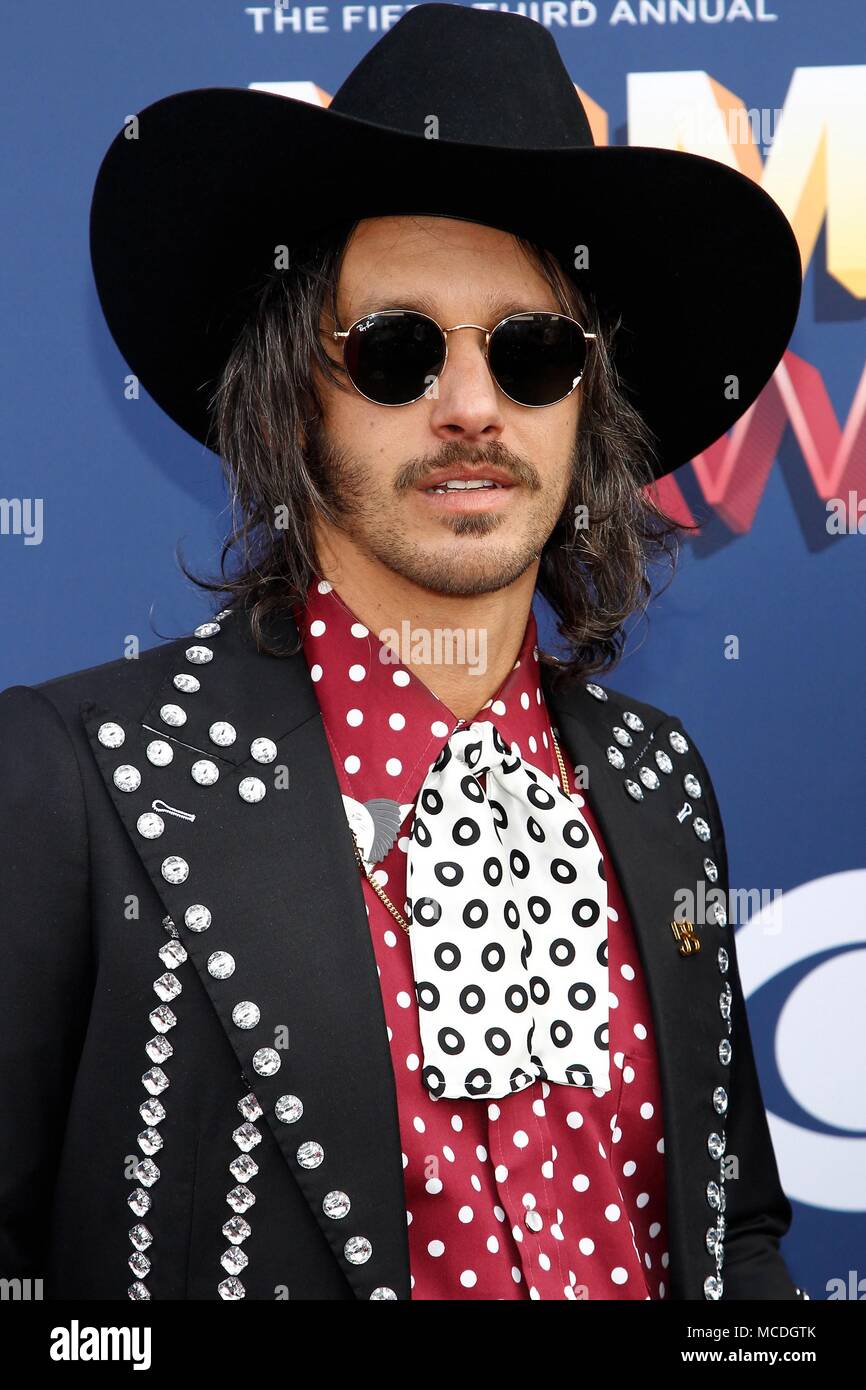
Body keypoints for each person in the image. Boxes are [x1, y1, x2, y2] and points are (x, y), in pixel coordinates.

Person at [0, 4, 809, 1301]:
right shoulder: (65, 780)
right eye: (395, 350)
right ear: (289, 397)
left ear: (584, 403)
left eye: (533, 351)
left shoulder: (658, 782)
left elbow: (734, 1235)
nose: (473, 405)